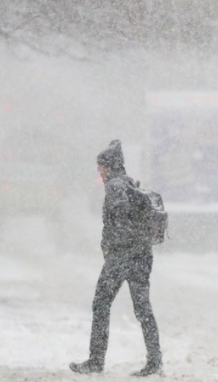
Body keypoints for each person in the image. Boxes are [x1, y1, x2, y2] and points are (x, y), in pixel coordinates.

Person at [70, 140, 163, 377]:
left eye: (101, 166)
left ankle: (96, 360)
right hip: (141, 255)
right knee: (143, 309)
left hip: (122, 257)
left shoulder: (115, 187)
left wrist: (112, 247)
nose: (98, 171)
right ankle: (155, 360)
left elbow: (119, 221)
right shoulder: (131, 183)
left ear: (109, 166)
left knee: (101, 304)